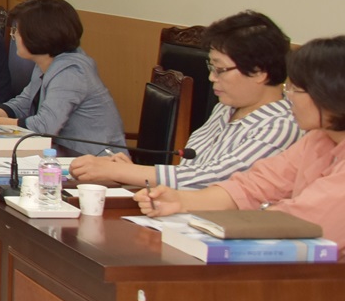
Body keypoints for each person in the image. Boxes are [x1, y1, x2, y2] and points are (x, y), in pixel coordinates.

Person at [135, 36, 345, 241]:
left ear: (331, 93)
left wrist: (263, 211)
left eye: (295, 89)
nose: (289, 97)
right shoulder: (318, 138)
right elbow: (255, 185)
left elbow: (304, 220)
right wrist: (181, 200)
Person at [73, 11, 298, 189]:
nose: (211, 78)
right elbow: (192, 167)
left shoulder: (280, 125)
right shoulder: (226, 107)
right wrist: (134, 174)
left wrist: (126, 172)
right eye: (211, 67)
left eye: (220, 69)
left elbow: (215, 179)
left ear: (259, 72)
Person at [0, 0, 124, 156]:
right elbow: (24, 102)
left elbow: (45, 126)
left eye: (17, 31)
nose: (14, 36)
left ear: (38, 34)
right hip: (63, 155)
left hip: (99, 160)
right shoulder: (46, 61)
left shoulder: (71, 71)